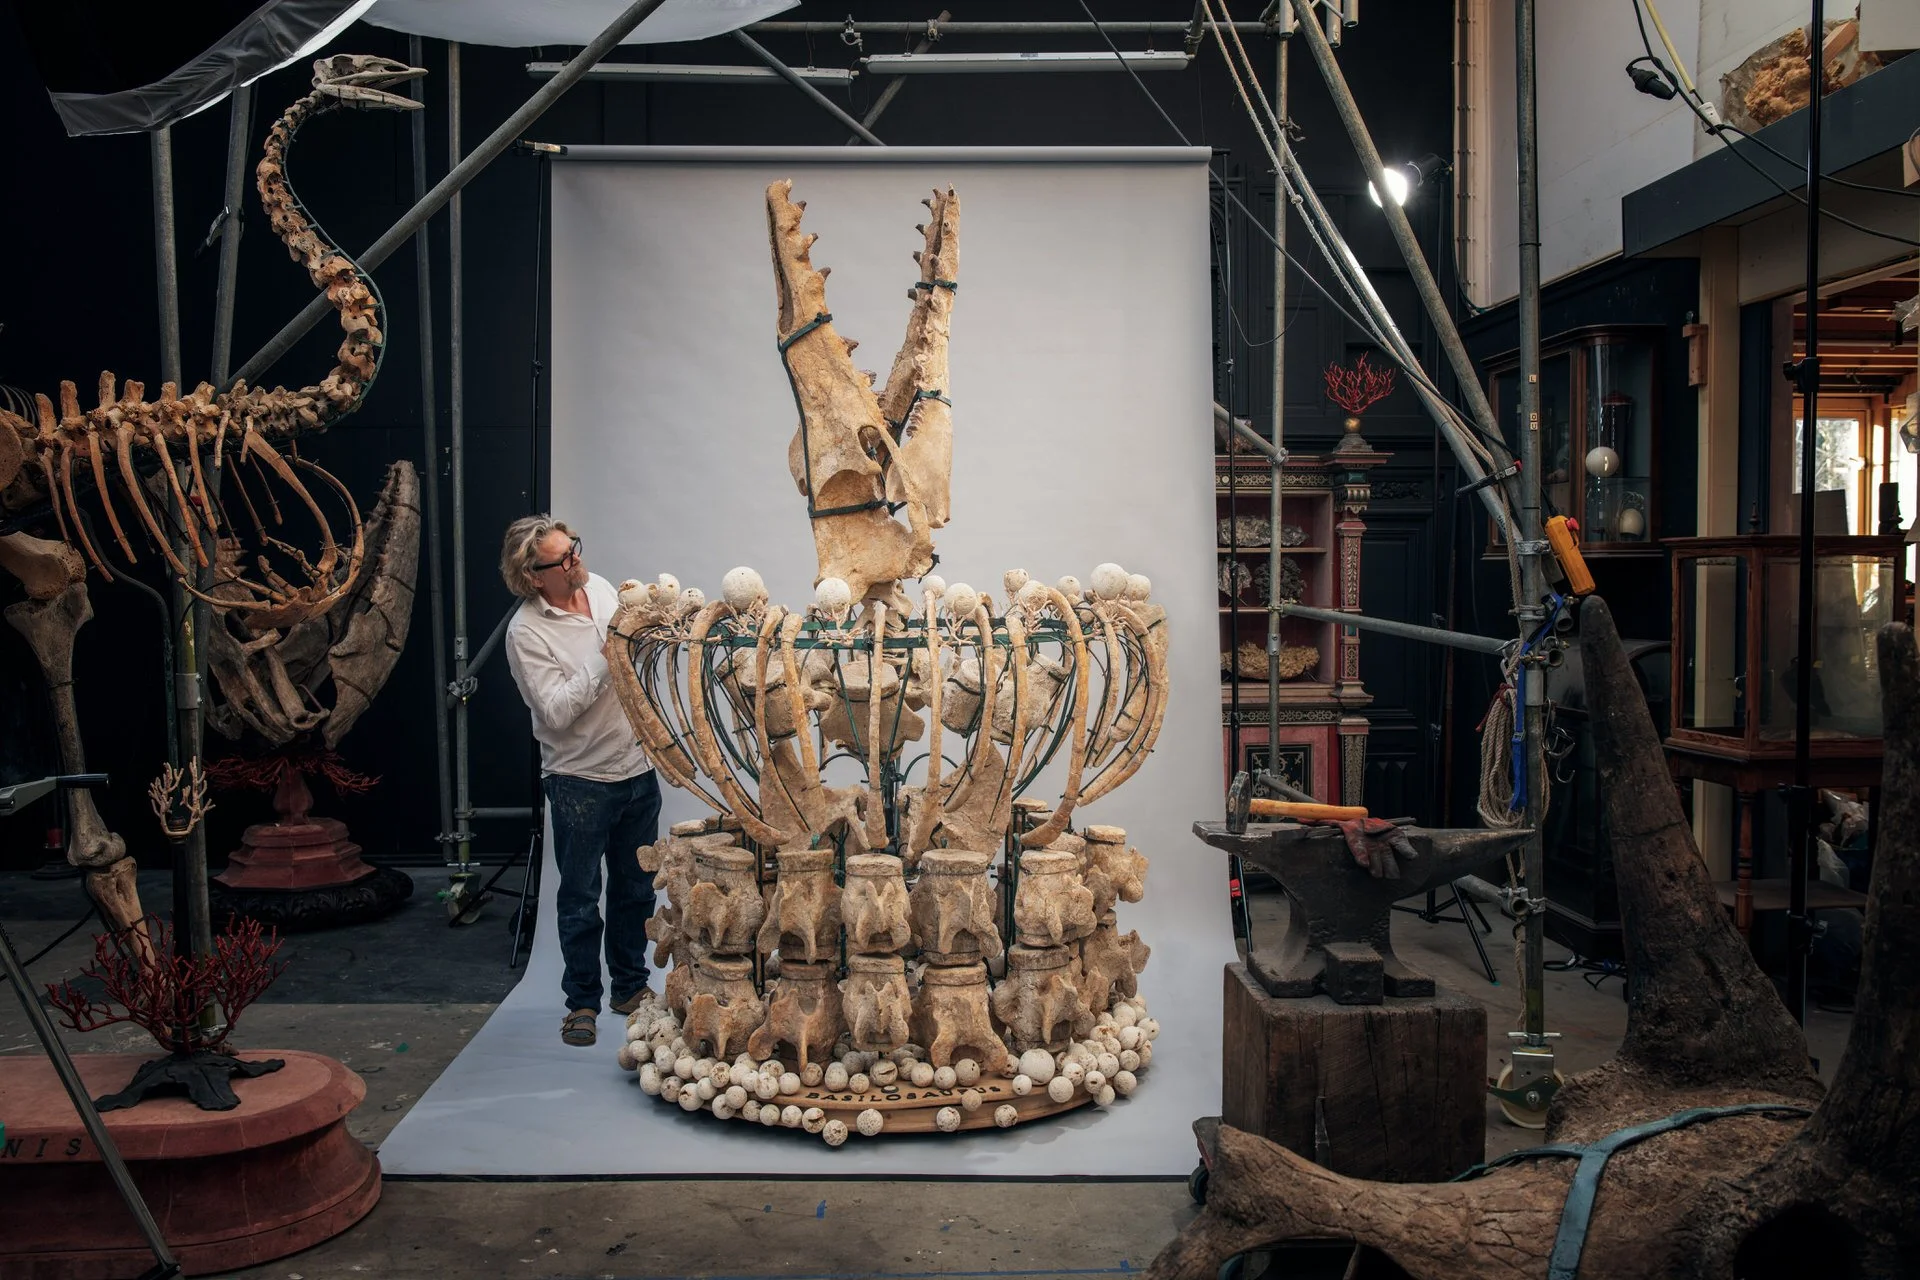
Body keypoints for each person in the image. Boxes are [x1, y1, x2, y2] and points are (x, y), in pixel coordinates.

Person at [501, 515, 658, 1047]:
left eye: (574, 549)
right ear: (533, 577)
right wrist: (608, 650)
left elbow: (634, 661)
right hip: (579, 781)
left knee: (636, 889)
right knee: (580, 896)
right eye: (563, 558)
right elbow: (556, 710)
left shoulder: (603, 590)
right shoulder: (526, 633)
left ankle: (631, 988)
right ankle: (583, 1002)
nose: (576, 562)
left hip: (636, 767)